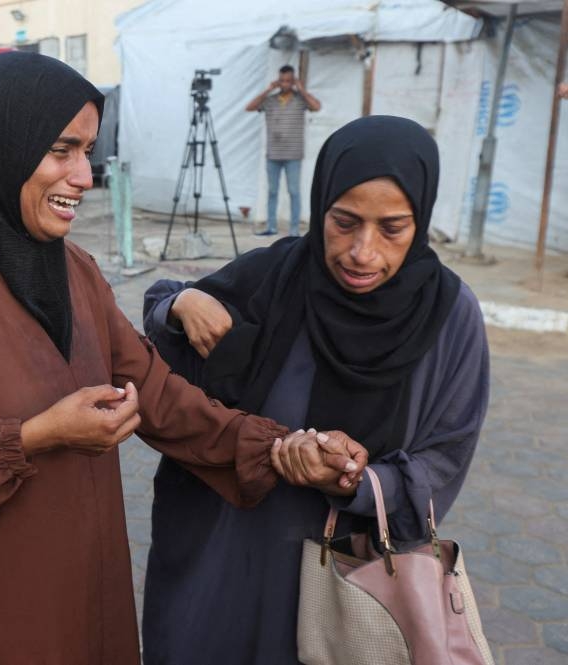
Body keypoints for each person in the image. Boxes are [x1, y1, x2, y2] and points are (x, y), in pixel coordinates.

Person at [0, 52, 365, 665]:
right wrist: (37, 435)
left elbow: (160, 395)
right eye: (61, 150)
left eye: (87, 152)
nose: (84, 177)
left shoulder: (76, 273)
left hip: (94, 593)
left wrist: (282, 448)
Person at [141, 115, 490, 665]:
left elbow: (445, 456)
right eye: (343, 222)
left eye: (391, 228)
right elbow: (161, 326)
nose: (362, 252)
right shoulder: (276, 275)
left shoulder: (449, 317)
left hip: (352, 579)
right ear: (321, 204)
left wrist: (356, 478)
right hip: (229, 553)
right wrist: (180, 303)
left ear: (419, 221)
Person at [245, 64, 321, 237]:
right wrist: (267, 90)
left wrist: (301, 89)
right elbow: (249, 107)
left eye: (288, 81)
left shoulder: (300, 100)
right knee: (272, 192)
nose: (285, 84)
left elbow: (316, 107)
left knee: (294, 191)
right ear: (278, 81)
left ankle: (294, 231)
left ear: (293, 81)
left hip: (293, 154)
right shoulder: (270, 100)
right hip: (273, 154)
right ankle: (271, 227)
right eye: (282, 80)